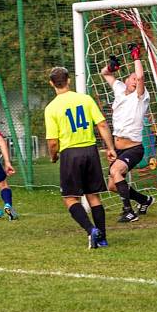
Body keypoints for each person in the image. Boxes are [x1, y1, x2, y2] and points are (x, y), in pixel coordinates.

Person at [45, 67, 117, 249]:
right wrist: (110, 148)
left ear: (52, 83)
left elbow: (53, 142)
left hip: (70, 154)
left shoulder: (52, 108)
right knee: (93, 196)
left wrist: (53, 157)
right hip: (90, 151)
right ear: (69, 80)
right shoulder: (85, 100)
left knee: (70, 198)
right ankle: (103, 238)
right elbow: (101, 124)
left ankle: (91, 230)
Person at [100, 42, 155, 223]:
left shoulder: (140, 97)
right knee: (112, 185)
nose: (134, 79)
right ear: (125, 81)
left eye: (136, 79)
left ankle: (128, 212)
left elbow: (140, 76)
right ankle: (144, 200)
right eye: (131, 77)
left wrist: (136, 57)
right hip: (119, 148)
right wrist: (112, 67)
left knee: (116, 171)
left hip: (134, 148)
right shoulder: (119, 90)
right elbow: (105, 73)